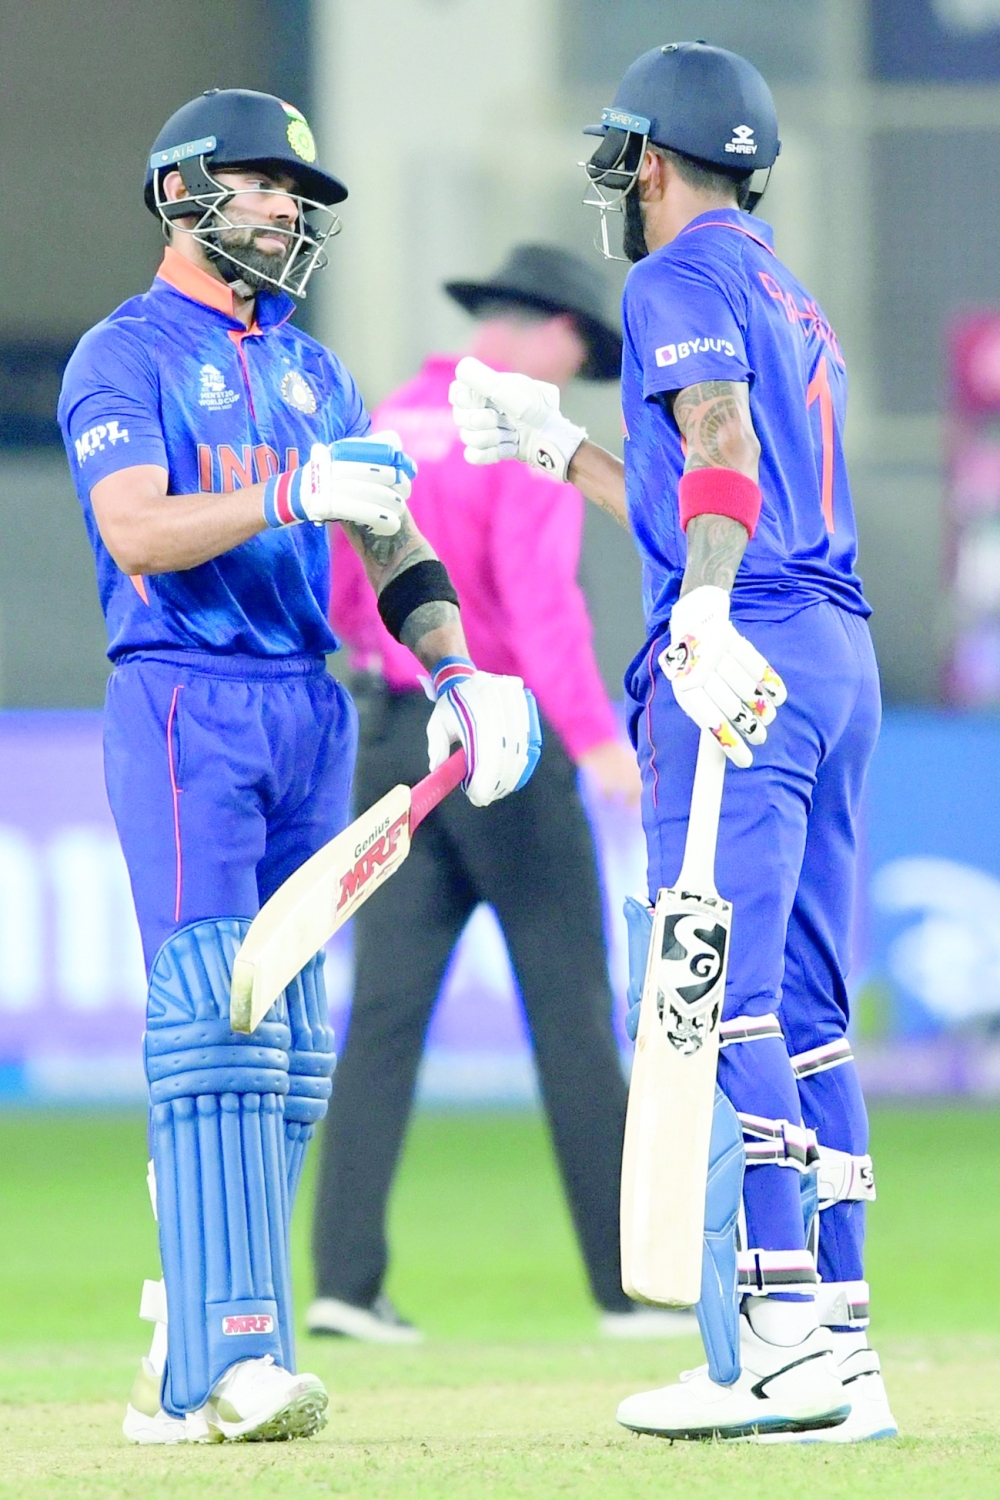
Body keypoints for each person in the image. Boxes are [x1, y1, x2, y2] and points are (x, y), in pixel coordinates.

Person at [57, 87, 538, 1446]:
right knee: (219, 1012)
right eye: (262, 183)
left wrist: (457, 674)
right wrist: (288, 495)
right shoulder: (123, 353)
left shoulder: (316, 372)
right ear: (180, 192)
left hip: (308, 708)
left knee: (293, 1046)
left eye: (299, 191)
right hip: (183, 699)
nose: (286, 208)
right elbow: (140, 532)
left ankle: (185, 1368)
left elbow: (391, 539)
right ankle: (230, 1358)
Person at [450, 42, 897, 1443]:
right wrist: (557, 448)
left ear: (649, 162)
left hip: (740, 647)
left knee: (717, 993)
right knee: (810, 1018)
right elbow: (696, 465)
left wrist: (702, 605)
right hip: (835, 655)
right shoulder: (784, 284)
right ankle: (845, 1341)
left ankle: (771, 1346)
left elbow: (720, 444)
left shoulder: (673, 276)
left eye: (622, 163)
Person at [308, 244, 692, 1343]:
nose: (574, 372)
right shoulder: (517, 434)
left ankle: (344, 1281)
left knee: (381, 1015)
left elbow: (348, 587)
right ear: (538, 329)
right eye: (576, 347)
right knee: (571, 1012)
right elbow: (541, 600)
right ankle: (630, 1287)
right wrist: (590, 734)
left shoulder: (387, 418)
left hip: (397, 734)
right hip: (508, 742)